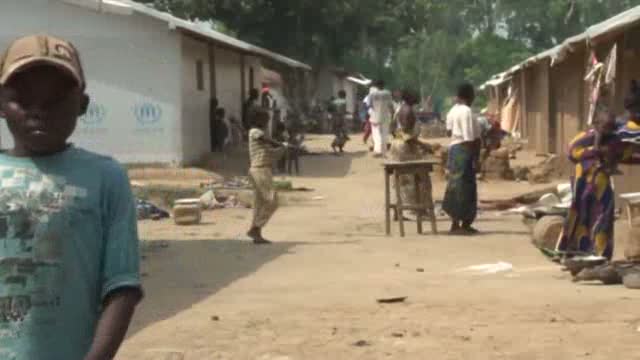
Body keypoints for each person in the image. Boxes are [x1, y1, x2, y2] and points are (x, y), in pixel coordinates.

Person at [0, 34, 142, 360]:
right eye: (23, 99)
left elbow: (123, 287)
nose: (38, 112)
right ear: (0, 103)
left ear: (82, 105)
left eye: (55, 100)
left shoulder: (106, 178)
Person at [556, 82, 640, 261]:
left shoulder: (621, 129)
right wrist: (597, 152)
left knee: (591, 212)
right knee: (593, 213)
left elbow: (620, 155)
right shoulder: (625, 128)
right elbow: (575, 150)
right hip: (590, 177)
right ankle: (588, 253)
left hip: (592, 176)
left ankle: (586, 254)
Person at [442, 83, 481, 235]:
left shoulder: (452, 111)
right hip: (464, 150)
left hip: (454, 149)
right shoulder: (466, 111)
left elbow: (448, 131)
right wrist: (475, 158)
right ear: (470, 96)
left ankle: (456, 222)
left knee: (455, 186)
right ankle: (463, 223)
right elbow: (469, 138)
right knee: (466, 187)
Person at [247, 107, 286, 245]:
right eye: (265, 118)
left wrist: (283, 148)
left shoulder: (262, 135)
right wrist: (280, 144)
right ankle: (256, 228)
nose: (267, 121)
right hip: (259, 170)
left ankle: (256, 232)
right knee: (272, 200)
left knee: (260, 203)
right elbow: (267, 140)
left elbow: (271, 152)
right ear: (257, 119)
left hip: (262, 170)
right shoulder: (255, 132)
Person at [388, 104, 433, 220]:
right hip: (405, 148)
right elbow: (408, 137)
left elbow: (393, 131)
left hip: (396, 146)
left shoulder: (397, 111)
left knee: (399, 180)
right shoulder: (407, 111)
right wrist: (424, 146)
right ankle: (420, 209)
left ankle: (398, 212)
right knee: (420, 178)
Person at [369, 80, 395, 157]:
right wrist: (393, 113)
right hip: (385, 116)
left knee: (376, 134)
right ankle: (384, 151)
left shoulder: (372, 94)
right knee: (384, 134)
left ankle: (377, 151)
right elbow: (391, 105)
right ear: (383, 85)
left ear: (376, 86)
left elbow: (370, 105)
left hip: (375, 116)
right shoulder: (388, 93)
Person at [330, 90, 349, 154]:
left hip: (334, 119)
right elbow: (343, 111)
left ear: (338, 95)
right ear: (344, 95)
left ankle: (339, 148)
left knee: (339, 133)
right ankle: (335, 146)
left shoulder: (333, 102)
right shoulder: (344, 101)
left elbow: (331, 110)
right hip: (341, 118)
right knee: (344, 134)